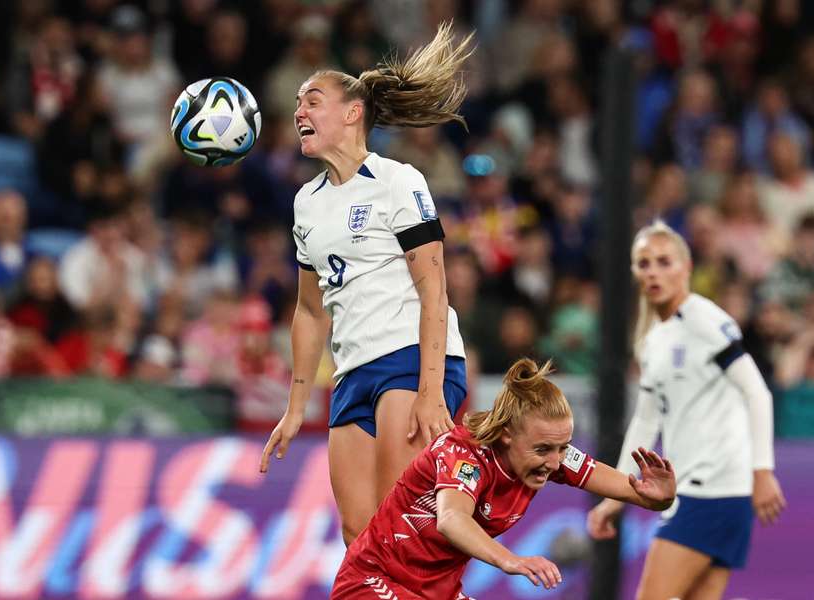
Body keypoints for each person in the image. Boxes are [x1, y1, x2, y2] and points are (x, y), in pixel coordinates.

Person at [259, 22, 474, 546]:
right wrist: (294, 409)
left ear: (353, 113)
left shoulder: (399, 182)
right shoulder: (305, 202)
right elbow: (311, 311)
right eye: (296, 104)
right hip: (353, 372)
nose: (299, 113)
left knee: (401, 525)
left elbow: (435, 292)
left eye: (312, 101)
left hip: (410, 358)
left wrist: (429, 392)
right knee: (359, 535)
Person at [331, 357, 677, 599]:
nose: (555, 462)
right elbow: (452, 520)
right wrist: (511, 560)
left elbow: (629, 489)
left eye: (563, 448)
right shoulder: (463, 454)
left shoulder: (548, 451)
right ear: (508, 434)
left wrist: (655, 496)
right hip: (374, 581)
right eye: (544, 450)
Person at [587, 221, 787, 600]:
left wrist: (763, 471)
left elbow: (758, 393)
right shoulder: (653, 341)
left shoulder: (706, 321)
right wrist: (615, 494)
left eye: (664, 262)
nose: (653, 272)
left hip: (712, 490)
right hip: (709, 494)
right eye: (644, 264)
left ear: (687, 266)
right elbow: (645, 421)